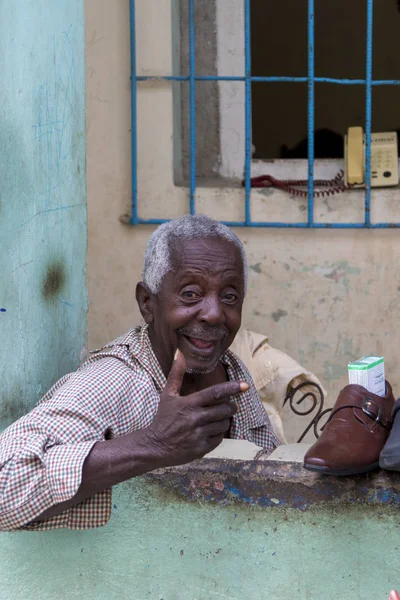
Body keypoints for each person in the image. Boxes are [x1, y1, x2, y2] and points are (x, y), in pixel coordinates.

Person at [0, 215, 280, 532]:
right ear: (147, 304)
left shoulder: (229, 367)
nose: (214, 313)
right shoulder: (112, 381)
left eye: (229, 296)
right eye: (190, 293)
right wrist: (153, 444)